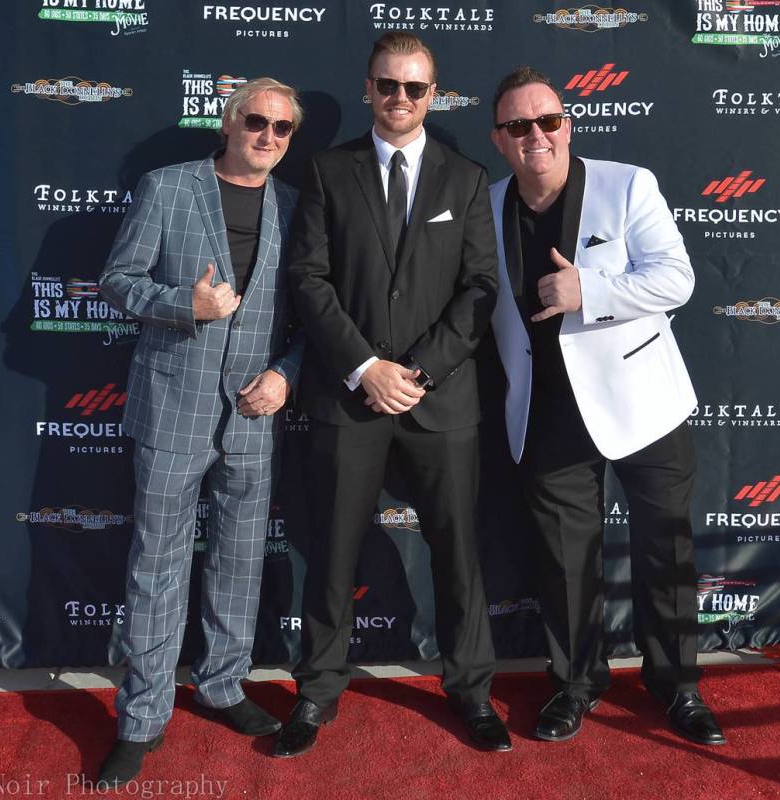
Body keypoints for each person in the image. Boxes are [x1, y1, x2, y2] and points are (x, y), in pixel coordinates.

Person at [275, 32, 510, 758]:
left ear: (432, 95)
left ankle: (471, 688)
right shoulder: (325, 171)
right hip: (349, 397)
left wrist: (418, 373)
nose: (399, 99)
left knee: (457, 552)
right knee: (334, 552)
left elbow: (479, 290)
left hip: (440, 399)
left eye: (414, 88)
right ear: (367, 89)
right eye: (387, 85)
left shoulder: (466, 180)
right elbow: (308, 279)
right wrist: (365, 368)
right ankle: (317, 691)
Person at [488, 66, 725, 746]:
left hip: (644, 406)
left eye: (548, 121)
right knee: (565, 566)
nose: (537, 135)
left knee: (666, 552)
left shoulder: (628, 184)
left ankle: (677, 686)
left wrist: (587, 289)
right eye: (518, 126)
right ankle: (576, 684)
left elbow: (675, 278)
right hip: (546, 412)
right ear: (500, 139)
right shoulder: (488, 202)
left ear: (568, 125)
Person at [96, 77, 304, 785]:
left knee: (241, 562)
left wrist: (285, 375)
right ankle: (142, 716)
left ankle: (222, 685)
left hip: (253, 410)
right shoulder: (168, 188)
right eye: (256, 121)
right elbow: (119, 280)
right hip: (173, 405)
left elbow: (308, 320)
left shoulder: (295, 208)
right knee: (157, 564)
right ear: (229, 121)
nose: (268, 137)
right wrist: (184, 303)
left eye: (282, 128)